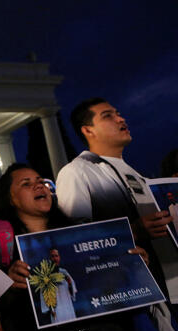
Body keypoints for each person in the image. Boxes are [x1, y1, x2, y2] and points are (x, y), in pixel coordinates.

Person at [0, 163, 150, 331]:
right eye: (26, 184)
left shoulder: (86, 235)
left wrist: (134, 265)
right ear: (11, 199)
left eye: (40, 181)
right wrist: (8, 285)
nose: (39, 186)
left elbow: (109, 284)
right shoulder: (2, 250)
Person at [56, 97, 177, 305]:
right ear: (88, 130)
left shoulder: (139, 177)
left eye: (118, 113)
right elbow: (73, 241)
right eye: (108, 116)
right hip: (129, 294)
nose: (121, 119)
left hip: (167, 288)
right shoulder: (76, 172)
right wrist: (133, 231)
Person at [40, 248, 76, 324]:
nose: (55, 258)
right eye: (52, 256)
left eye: (56, 256)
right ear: (49, 259)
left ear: (59, 257)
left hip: (68, 307)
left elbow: (72, 292)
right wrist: (51, 310)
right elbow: (44, 295)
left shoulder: (64, 272)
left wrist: (69, 283)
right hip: (56, 310)